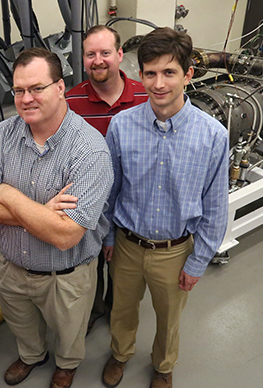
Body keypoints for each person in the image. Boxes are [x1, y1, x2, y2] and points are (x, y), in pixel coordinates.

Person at [0, 48, 114, 388]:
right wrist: (41, 213)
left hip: (64, 276)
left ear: (60, 87)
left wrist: (6, 194)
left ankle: (66, 366)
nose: (26, 98)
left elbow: (66, 236)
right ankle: (32, 356)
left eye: (36, 88)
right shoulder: (2, 135)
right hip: (13, 268)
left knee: (69, 333)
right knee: (22, 325)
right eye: (19, 90)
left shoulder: (89, 151)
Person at [101, 27, 229, 388]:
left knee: (168, 317)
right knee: (121, 310)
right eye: (151, 73)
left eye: (169, 72)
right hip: (126, 244)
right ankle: (120, 353)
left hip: (175, 251)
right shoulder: (121, 126)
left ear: (188, 74)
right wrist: (109, 235)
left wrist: (199, 259)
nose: (159, 83)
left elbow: (215, 206)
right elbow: (112, 190)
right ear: (139, 75)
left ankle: (163, 365)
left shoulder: (212, 136)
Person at [66, 25, 148, 334]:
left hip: (130, 206)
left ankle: (116, 309)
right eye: (90, 54)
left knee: (123, 272)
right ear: (83, 59)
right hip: (86, 207)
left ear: (119, 55)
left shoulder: (144, 95)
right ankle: (92, 311)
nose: (98, 61)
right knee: (88, 268)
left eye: (105, 53)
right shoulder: (71, 103)